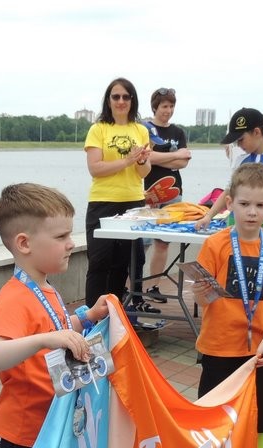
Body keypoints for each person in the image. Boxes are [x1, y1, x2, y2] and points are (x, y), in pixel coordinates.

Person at [0, 183, 110, 448]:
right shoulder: (15, 297)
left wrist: (87, 317)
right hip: (23, 436)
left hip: (48, 426)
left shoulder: (44, 285)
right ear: (24, 243)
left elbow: (55, 327)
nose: (72, 243)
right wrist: (44, 339)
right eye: (61, 236)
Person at [192, 163, 263, 448]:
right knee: (211, 410)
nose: (252, 212)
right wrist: (201, 292)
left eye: (261, 205)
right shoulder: (215, 245)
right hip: (218, 346)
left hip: (257, 352)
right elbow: (203, 300)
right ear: (230, 202)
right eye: (245, 204)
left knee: (261, 414)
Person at [84, 77, 151, 307]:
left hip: (133, 202)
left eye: (126, 97)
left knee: (122, 264)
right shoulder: (98, 129)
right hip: (103, 202)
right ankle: (92, 318)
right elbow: (95, 168)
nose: (121, 101)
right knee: (98, 262)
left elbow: (143, 173)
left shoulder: (141, 130)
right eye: (116, 97)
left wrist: (140, 161)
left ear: (132, 100)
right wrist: (127, 160)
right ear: (109, 100)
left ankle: (114, 314)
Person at [195, 108, 263, 241]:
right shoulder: (240, 160)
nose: (239, 145)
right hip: (234, 226)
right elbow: (228, 191)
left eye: (241, 140)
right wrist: (208, 216)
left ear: (257, 132)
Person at [136, 86, 192, 302]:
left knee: (163, 242)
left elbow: (184, 162)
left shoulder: (178, 132)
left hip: (173, 192)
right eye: (164, 106)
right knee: (142, 242)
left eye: (171, 106)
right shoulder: (146, 129)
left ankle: (154, 287)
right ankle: (135, 286)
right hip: (148, 191)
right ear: (155, 107)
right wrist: (174, 155)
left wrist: (164, 157)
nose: (168, 110)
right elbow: (147, 158)